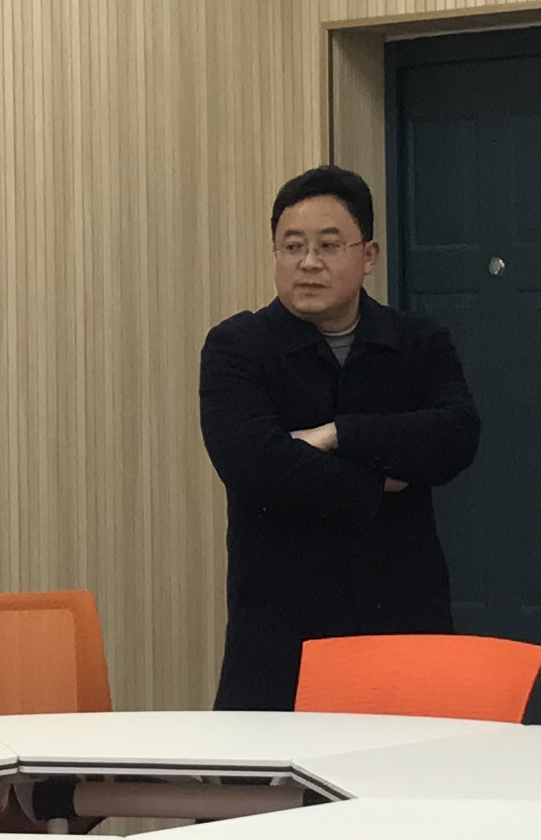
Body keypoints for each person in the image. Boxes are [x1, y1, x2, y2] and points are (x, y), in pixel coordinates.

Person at [197, 165, 481, 710]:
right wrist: (377, 483)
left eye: (329, 245)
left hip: (401, 615)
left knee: (416, 757)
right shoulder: (239, 346)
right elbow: (254, 463)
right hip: (282, 626)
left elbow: (455, 436)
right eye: (292, 246)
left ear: (368, 256)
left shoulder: (418, 342)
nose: (308, 263)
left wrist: (338, 434)